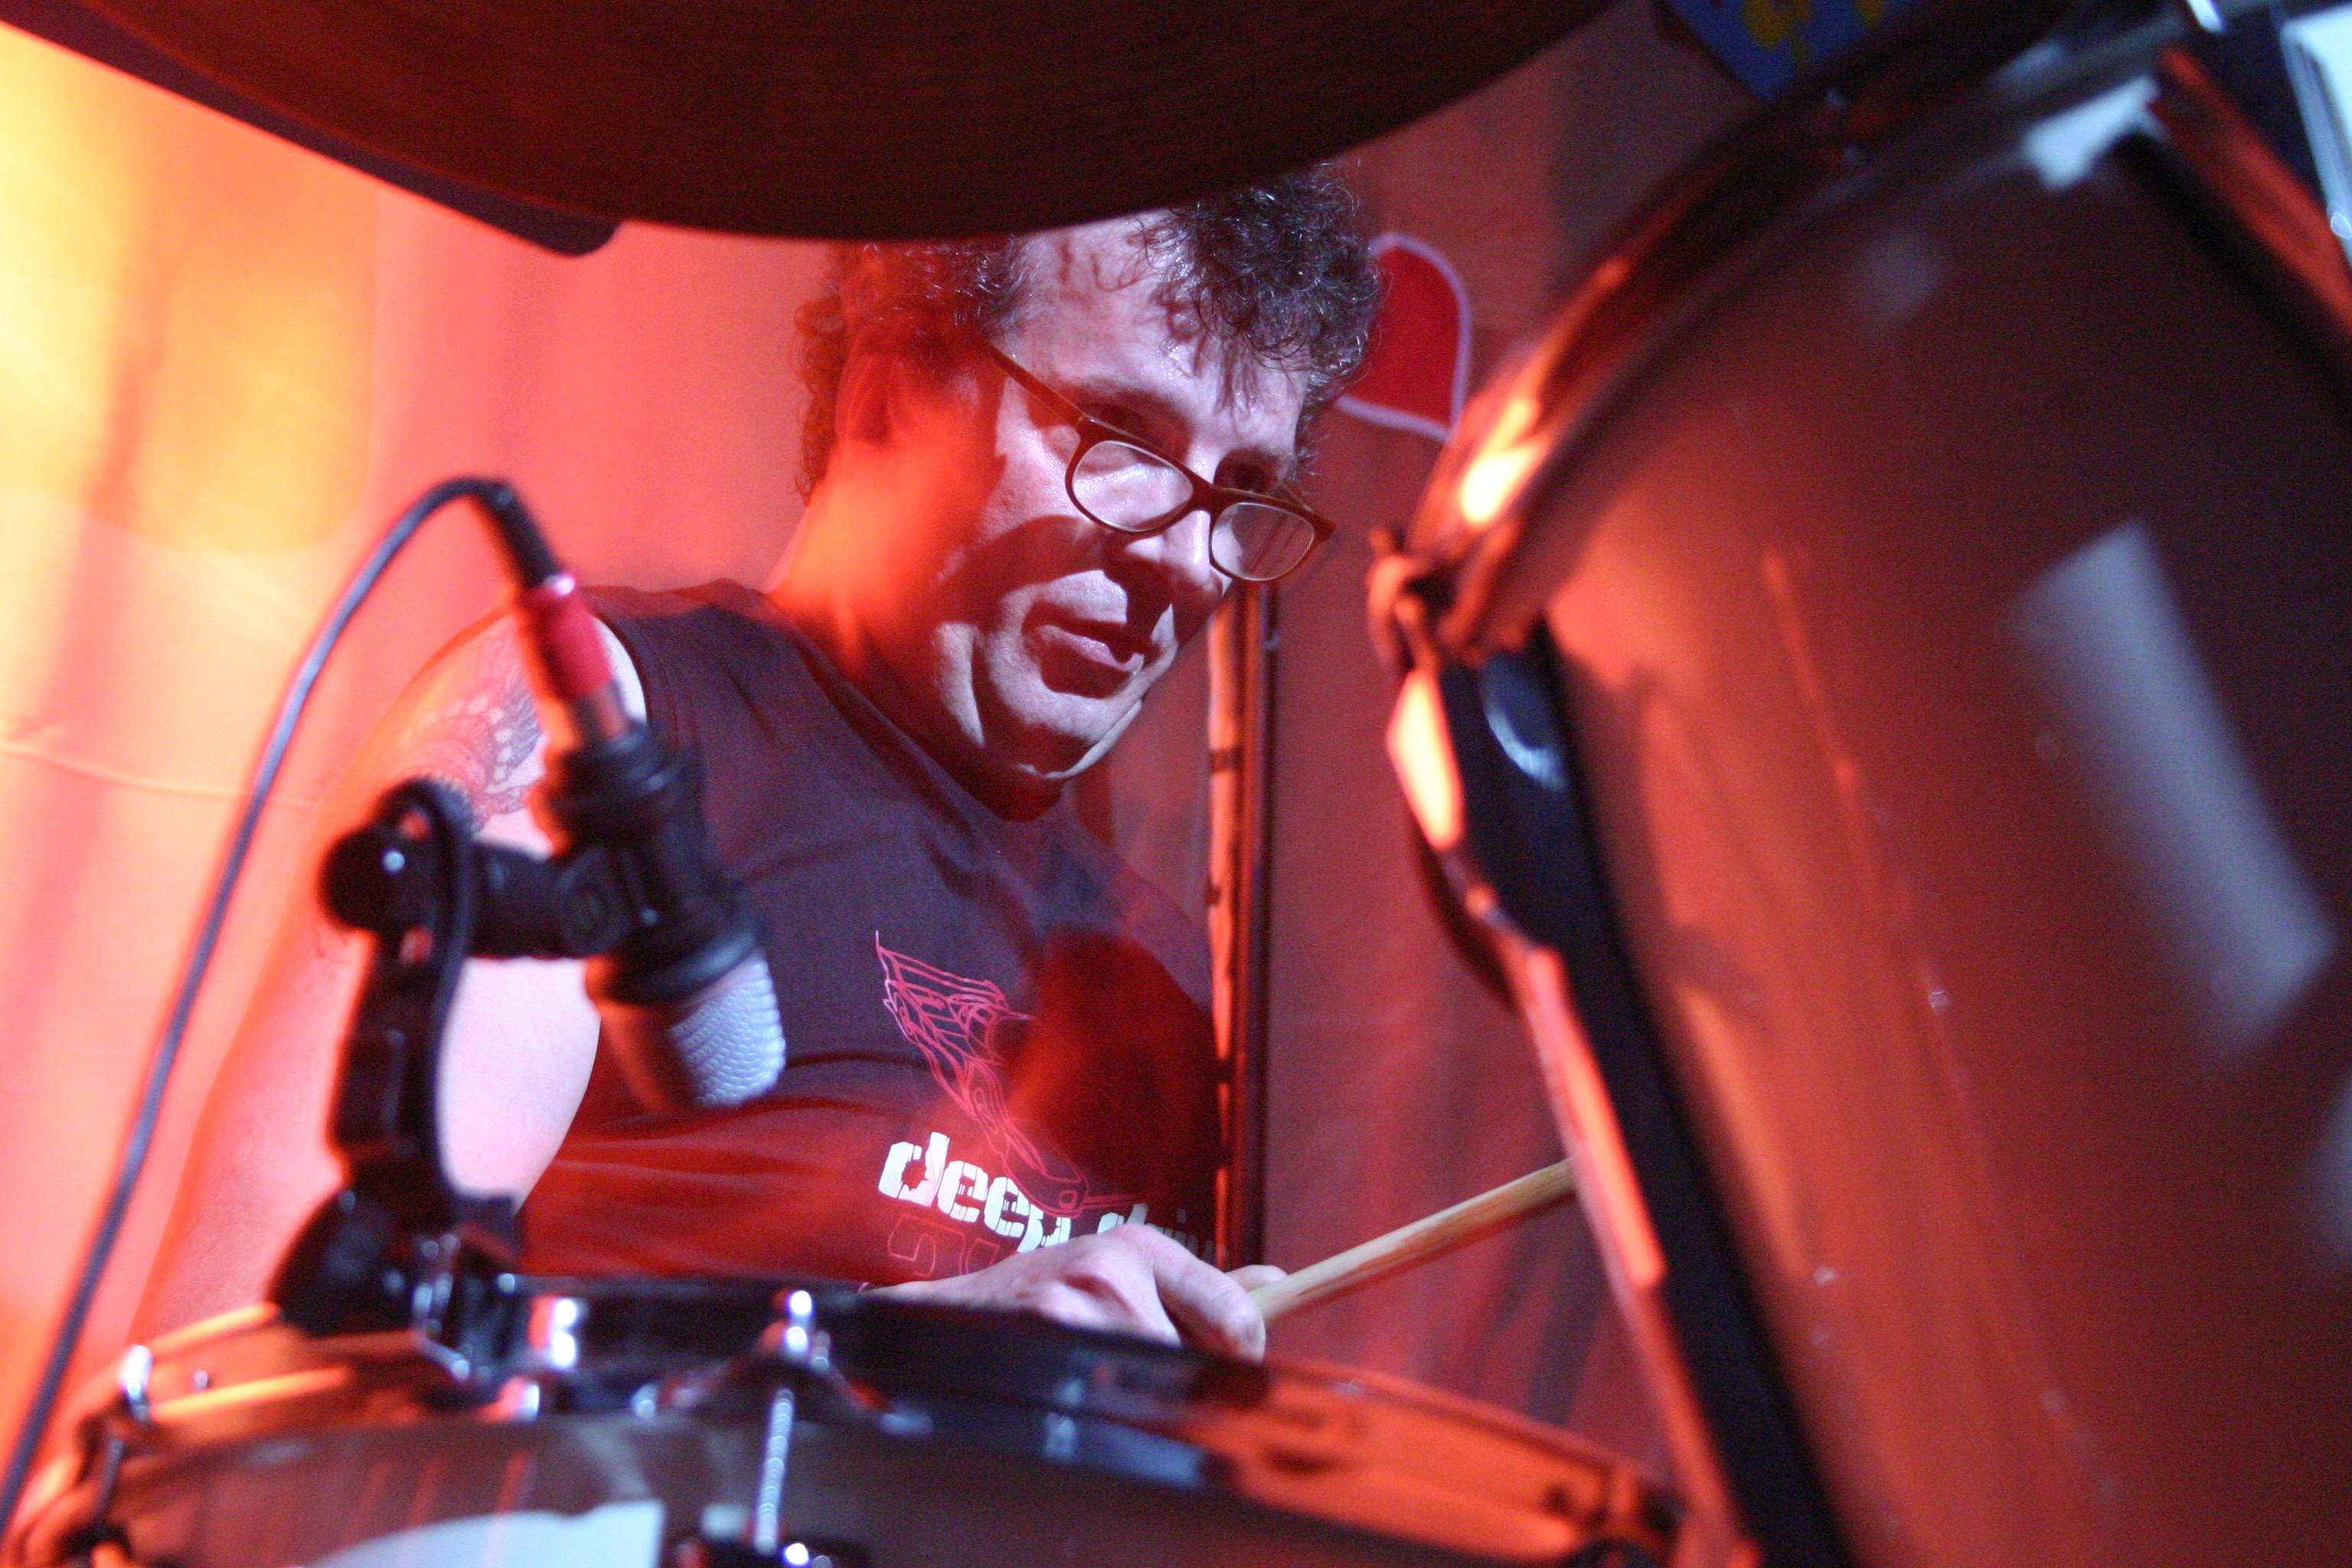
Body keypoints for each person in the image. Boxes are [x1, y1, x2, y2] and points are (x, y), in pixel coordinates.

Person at [141, 171, 1381, 1361]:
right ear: (894, 391)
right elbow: (249, 1366)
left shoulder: (1156, 978)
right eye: (1121, 437)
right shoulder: (608, 735)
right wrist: (901, 1357)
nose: (1194, 563)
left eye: (1245, 492)